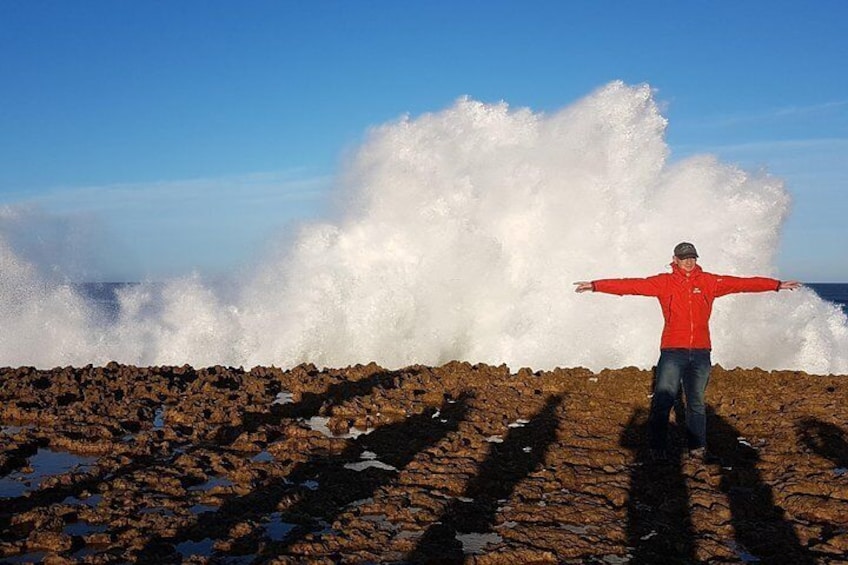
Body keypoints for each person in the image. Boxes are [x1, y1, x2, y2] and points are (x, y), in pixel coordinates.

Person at [574, 242, 801, 462]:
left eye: (692, 257)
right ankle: (657, 448)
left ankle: (697, 449)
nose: (689, 262)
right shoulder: (664, 282)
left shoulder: (710, 281)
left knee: (696, 403)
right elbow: (630, 285)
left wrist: (776, 285)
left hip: (701, 352)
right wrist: (596, 285)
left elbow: (742, 284)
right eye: (684, 258)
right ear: (675, 260)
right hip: (673, 351)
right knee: (663, 401)